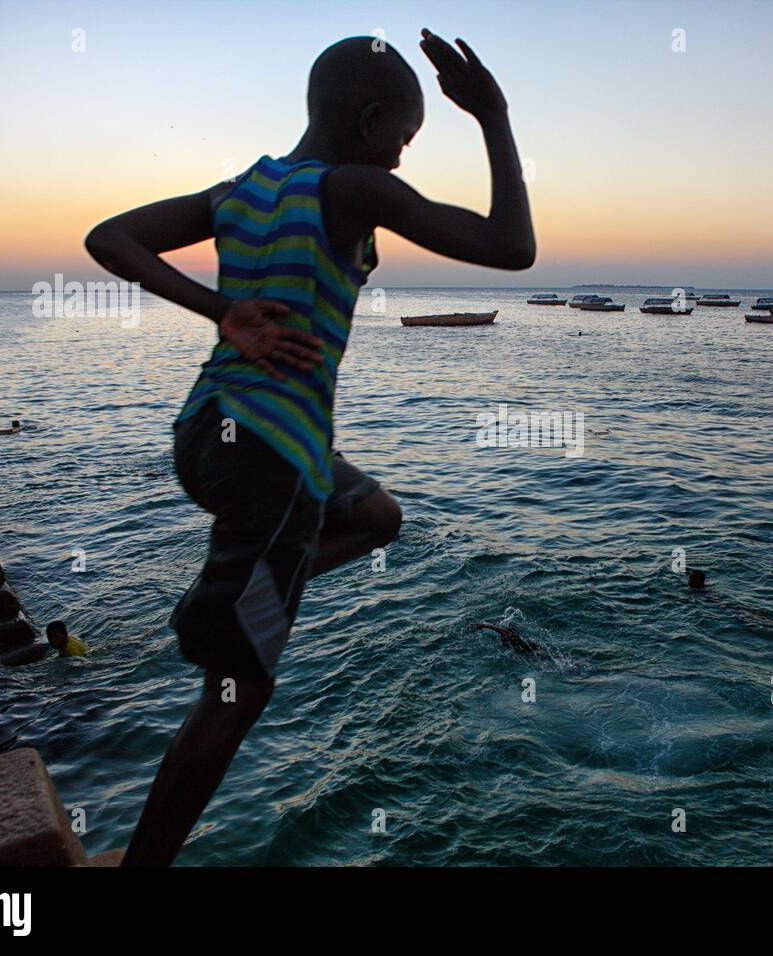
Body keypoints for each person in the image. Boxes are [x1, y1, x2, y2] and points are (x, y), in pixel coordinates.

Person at [84, 29, 534, 865]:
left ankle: (223, 599)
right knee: (237, 691)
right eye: (402, 142)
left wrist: (219, 309)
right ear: (369, 123)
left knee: (378, 515)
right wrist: (496, 118)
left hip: (208, 432)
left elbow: (109, 236)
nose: (399, 163)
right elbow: (513, 247)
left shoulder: (240, 189)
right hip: (271, 462)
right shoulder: (353, 186)